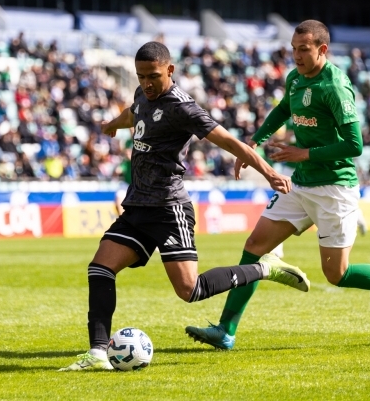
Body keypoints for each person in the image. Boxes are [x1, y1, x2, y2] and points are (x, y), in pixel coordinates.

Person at [185, 20, 370, 352]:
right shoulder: (294, 79)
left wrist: (304, 153)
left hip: (334, 188)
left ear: (322, 49)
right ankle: (226, 330)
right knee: (255, 244)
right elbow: (282, 110)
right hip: (302, 185)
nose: (296, 56)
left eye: (303, 49)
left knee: (337, 274)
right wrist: (254, 144)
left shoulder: (335, 86)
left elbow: (355, 145)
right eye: (293, 49)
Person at [59, 42, 311, 372]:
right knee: (100, 269)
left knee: (190, 291)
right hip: (137, 206)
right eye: (141, 76)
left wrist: (268, 172)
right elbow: (133, 113)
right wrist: (112, 124)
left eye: (153, 76)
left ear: (170, 71)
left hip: (169, 208)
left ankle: (266, 269)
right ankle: (97, 354)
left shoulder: (183, 108)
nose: (146, 83)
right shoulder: (142, 93)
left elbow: (228, 141)